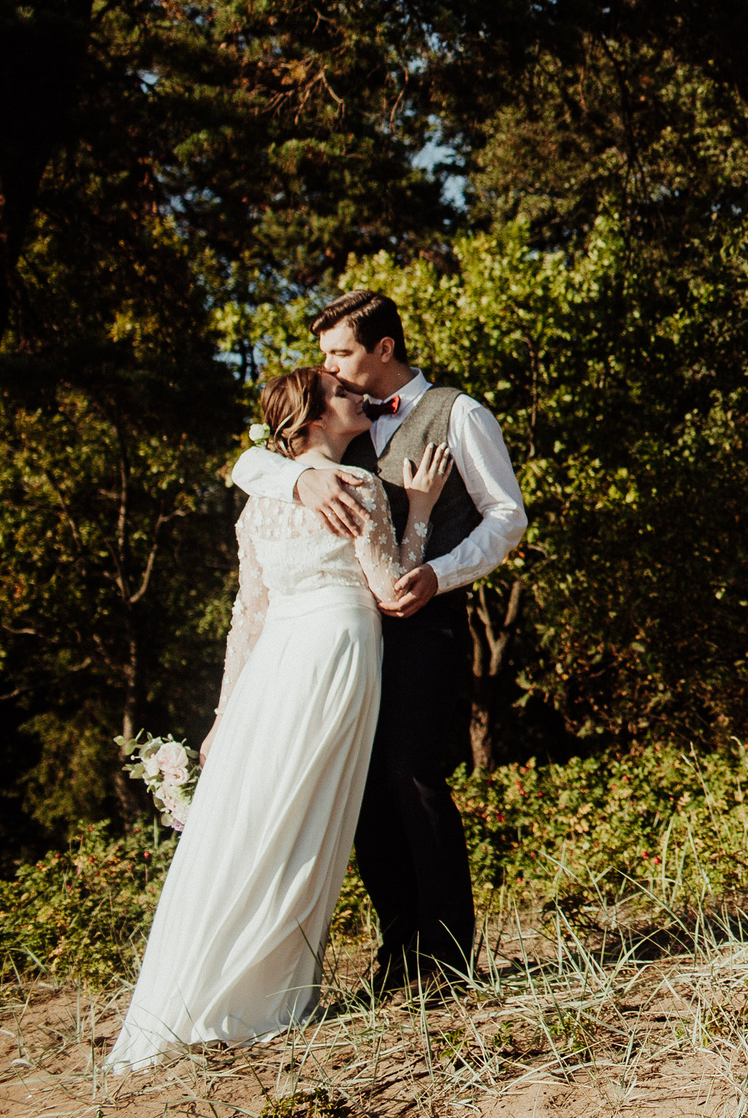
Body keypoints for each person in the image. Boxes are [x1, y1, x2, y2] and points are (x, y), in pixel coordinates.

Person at [107, 369, 453, 1072]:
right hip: (335, 656)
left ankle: (211, 988)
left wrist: (223, 715)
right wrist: (419, 507)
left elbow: (248, 618)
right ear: (315, 417)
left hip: (273, 670)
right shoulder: (359, 487)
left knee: (257, 819)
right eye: (342, 392)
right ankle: (268, 992)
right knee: (306, 820)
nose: (357, 394)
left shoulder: (257, 504)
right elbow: (392, 591)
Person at [228, 289, 527, 987]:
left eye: (340, 352)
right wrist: (301, 479)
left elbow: (506, 516)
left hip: (428, 623)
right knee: (360, 784)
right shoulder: (342, 419)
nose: (328, 365)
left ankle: (447, 956)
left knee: (411, 773)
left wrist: (440, 574)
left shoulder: (459, 413)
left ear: (383, 348)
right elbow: (250, 462)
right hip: (351, 636)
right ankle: (399, 950)